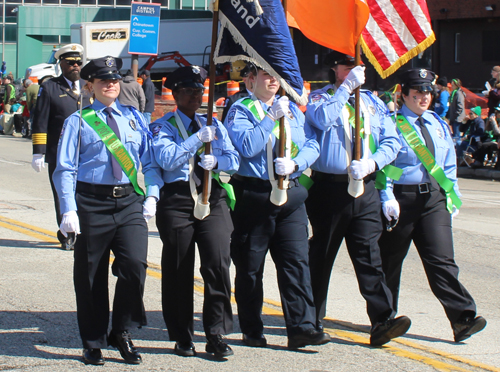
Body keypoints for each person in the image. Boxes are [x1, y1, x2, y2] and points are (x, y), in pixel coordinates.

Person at [53, 56, 160, 366]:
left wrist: (151, 195)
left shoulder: (135, 119)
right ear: (91, 86)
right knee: (90, 275)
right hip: (91, 203)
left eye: (114, 79)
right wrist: (67, 209)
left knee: (135, 265)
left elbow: (149, 163)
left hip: (128, 201)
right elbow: (65, 169)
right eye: (103, 80)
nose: (111, 84)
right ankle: (93, 340)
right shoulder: (79, 121)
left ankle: (122, 330)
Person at [305, 51, 410, 348]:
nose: (354, 69)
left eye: (357, 65)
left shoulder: (374, 103)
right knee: (322, 254)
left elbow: (392, 142)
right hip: (330, 189)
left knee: (369, 256)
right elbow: (323, 121)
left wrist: (372, 164)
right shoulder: (320, 98)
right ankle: (311, 319)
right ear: (334, 68)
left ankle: (382, 320)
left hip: (364, 187)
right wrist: (345, 89)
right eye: (347, 65)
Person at [378, 68, 486, 343]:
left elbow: (448, 162)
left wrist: (452, 193)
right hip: (401, 199)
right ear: (404, 93)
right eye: (418, 92)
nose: (424, 97)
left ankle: (462, 318)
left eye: (428, 92)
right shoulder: (390, 123)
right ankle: (383, 320)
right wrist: (386, 195)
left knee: (442, 261)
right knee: (389, 262)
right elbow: (386, 165)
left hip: (433, 200)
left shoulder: (437, 122)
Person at [225, 67, 330, 351]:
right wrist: (270, 119)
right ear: (250, 80)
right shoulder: (240, 110)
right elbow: (247, 146)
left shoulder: (293, 109)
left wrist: (297, 163)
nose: (272, 80)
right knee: (250, 267)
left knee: (296, 262)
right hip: (255, 196)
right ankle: (251, 327)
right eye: (264, 75)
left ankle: (302, 327)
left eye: (275, 75)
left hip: (291, 193)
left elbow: (311, 144)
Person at [147, 65, 237, 358]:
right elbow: (167, 158)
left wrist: (218, 163)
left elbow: (233, 159)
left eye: (199, 91)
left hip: (213, 197)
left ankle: (216, 333)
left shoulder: (213, 123)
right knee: (178, 267)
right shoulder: (165, 126)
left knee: (218, 263)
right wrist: (197, 139)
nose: (195, 97)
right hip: (178, 199)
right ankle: (182, 335)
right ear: (175, 94)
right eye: (188, 91)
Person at [31, 44, 91, 250]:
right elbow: (40, 120)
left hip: (86, 153)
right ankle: (67, 233)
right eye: (70, 63)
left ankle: (83, 230)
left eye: (78, 63)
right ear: (61, 64)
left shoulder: (89, 86)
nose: (75, 66)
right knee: (62, 192)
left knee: (83, 193)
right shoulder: (50, 87)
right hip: (59, 152)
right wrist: (38, 151)